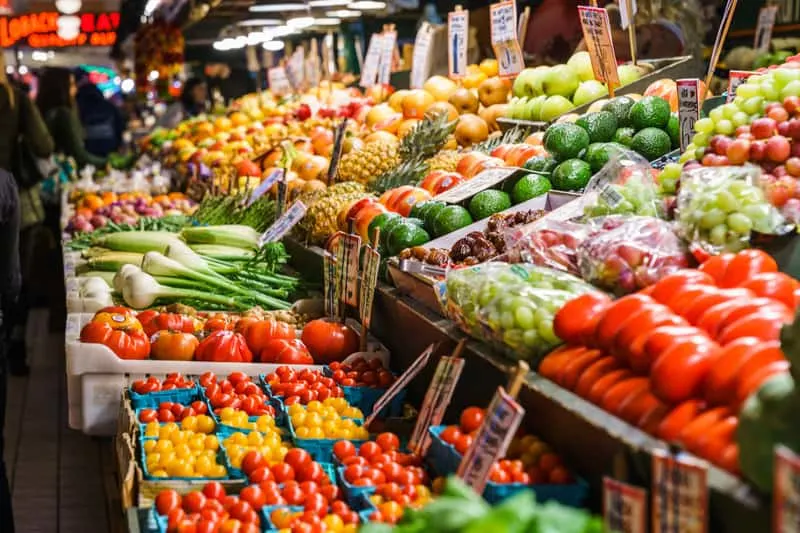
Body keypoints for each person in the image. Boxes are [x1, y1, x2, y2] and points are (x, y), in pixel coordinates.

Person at [0, 55, 54, 379]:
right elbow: (44, 144)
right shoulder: (14, 99)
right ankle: (13, 347)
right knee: (11, 278)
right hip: (10, 197)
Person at [36, 67, 107, 169]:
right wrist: (105, 162)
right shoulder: (64, 115)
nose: (76, 89)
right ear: (62, 88)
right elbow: (79, 154)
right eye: (72, 84)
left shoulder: (43, 112)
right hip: (62, 175)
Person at [74, 68, 124, 158]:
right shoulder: (108, 105)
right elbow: (120, 125)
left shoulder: (78, 106)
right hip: (109, 146)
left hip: (88, 150)